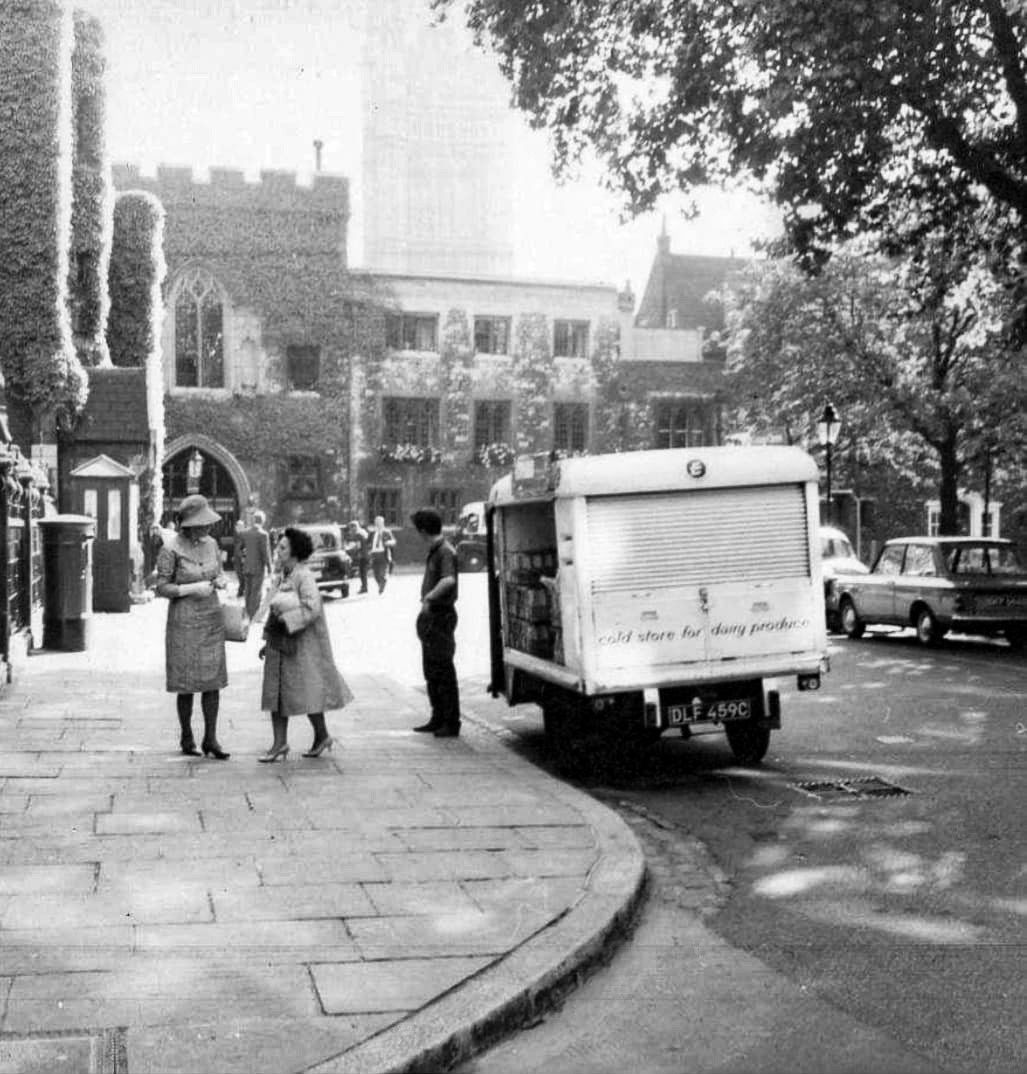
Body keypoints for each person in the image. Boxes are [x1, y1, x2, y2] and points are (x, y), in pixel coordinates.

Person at [257, 525, 353, 763]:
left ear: (295, 551)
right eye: (278, 547)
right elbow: (274, 609)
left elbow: (312, 607)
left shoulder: (303, 575)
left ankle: (321, 736)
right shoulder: (283, 576)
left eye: (282, 548)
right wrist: (268, 639)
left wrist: (287, 621)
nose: (277, 551)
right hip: (280, 644)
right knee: (277, 694)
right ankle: (280, 743)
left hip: (300, 646)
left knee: (306, 691)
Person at [154, 494, 230, 759]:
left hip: (210, 618)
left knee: (213, 680)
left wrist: (219, 581)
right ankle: (187, 736)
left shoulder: (211, 545)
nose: (208, 528)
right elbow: (161, 587)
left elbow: (218, 571)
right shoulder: (170, 549)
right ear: (188, 525)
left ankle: (211, 738)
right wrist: (190, 588)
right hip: (183, 621)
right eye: (202, 523)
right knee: (186, 683)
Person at [410, 507, 461, 737]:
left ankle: (451, 721)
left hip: (441, 616)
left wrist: (429, 597)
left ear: (423, 531)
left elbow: (448, 580)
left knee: (443, 670)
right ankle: (437, 716)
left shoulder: (445, 552)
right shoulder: (436, 550)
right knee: (431, 670)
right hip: (432, 617)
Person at [237, 510, 272, 619]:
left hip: (246, 566)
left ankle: (248, 613)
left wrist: (244, 558)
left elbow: (238, 549)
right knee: (256, 592)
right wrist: (270, 567)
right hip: (258, 568)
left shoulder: (245, 533)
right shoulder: (263, 534)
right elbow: (265, 553)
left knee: (248, 591)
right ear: (263, 521)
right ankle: (254, 615)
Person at [368, 515, 396, 594]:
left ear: (383, 523)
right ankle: (381, 584)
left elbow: (393, 541)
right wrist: (368, 551)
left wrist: (389, 542)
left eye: (379, 522)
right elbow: (367, 543)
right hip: (374, 554)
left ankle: (382, 585)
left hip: (383, 554)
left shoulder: (387, 532)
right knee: (376, 574)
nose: (378, 524)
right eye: (376, 522)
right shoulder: (372, 533)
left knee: (382, 573)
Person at [348, 519, 370, 594]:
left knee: (362, 572)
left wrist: (350, 550)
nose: (350, 530)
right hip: (366, 554)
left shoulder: (358, 534)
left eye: (351, 528)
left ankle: (364, 587)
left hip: (362, 555)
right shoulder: (363, 532)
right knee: (363, 572)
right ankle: (364, 586)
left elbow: (358, 546)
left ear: (354, 527)